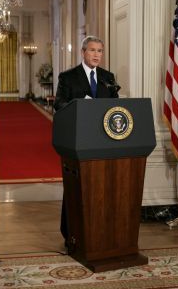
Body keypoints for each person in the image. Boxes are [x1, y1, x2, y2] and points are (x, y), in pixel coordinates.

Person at [54, 35, 119, 247]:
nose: (96, 55)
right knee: (77, 187)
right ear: (83, 52)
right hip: (78, 141)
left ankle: (100, 230)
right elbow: (59, 104)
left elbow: (116, 107)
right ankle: (71, 232)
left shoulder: (108, 77)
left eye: (100, 51)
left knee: (101, 187)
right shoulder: (68, 77)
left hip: (104, 142)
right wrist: (80, 105)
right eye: (92, 50)